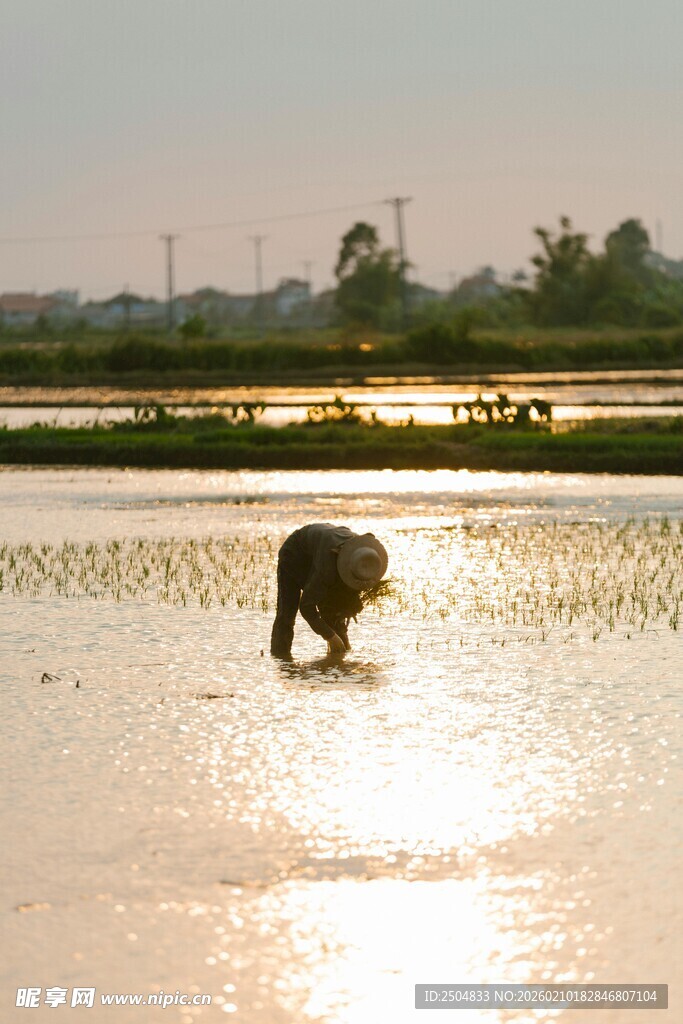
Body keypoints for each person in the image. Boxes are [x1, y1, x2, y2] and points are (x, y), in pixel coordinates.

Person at [270, 523, 388, 659]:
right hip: (295, 553)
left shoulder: (365, 559)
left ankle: (339, 657)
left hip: (321, 548)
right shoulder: (326, 570)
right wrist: (330, 636)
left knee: (334, 612)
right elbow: (306, 606)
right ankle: (281, 659)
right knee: (287, 615)